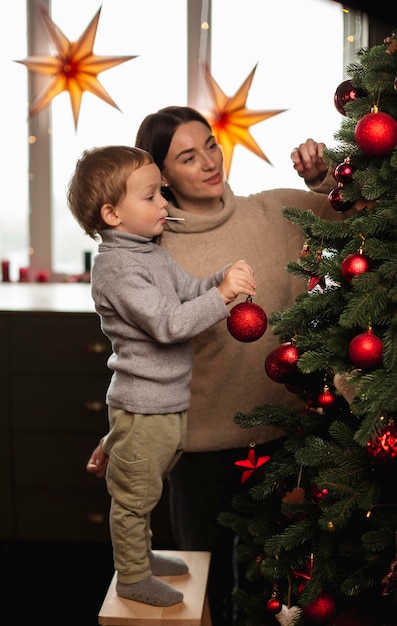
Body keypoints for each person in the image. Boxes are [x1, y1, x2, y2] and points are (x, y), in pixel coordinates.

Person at [87, 109, 346, 624]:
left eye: (211, 144)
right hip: (196, 448)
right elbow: (142, 350)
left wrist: (323, 175)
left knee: (272, 591)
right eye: (188, 156)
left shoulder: (274, 213)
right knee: (198, 588)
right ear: (158, 178)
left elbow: (361, 211)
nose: (209, 162)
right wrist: (119, 434)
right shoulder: (148, 244)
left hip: (284, 437)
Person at [67, 144, 257, 608]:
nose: (163, 205)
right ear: (112, 214)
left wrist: (219, 278)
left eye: (161, 195)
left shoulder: (150, 253)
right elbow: (170, 324)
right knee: (134, 496)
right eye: (150, 197)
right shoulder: (116, 267)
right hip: (144, 404)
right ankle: (132, 575)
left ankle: (143, 556)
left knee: (148, 482)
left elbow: (189, 291)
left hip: (167, 403)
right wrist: (224, 297)